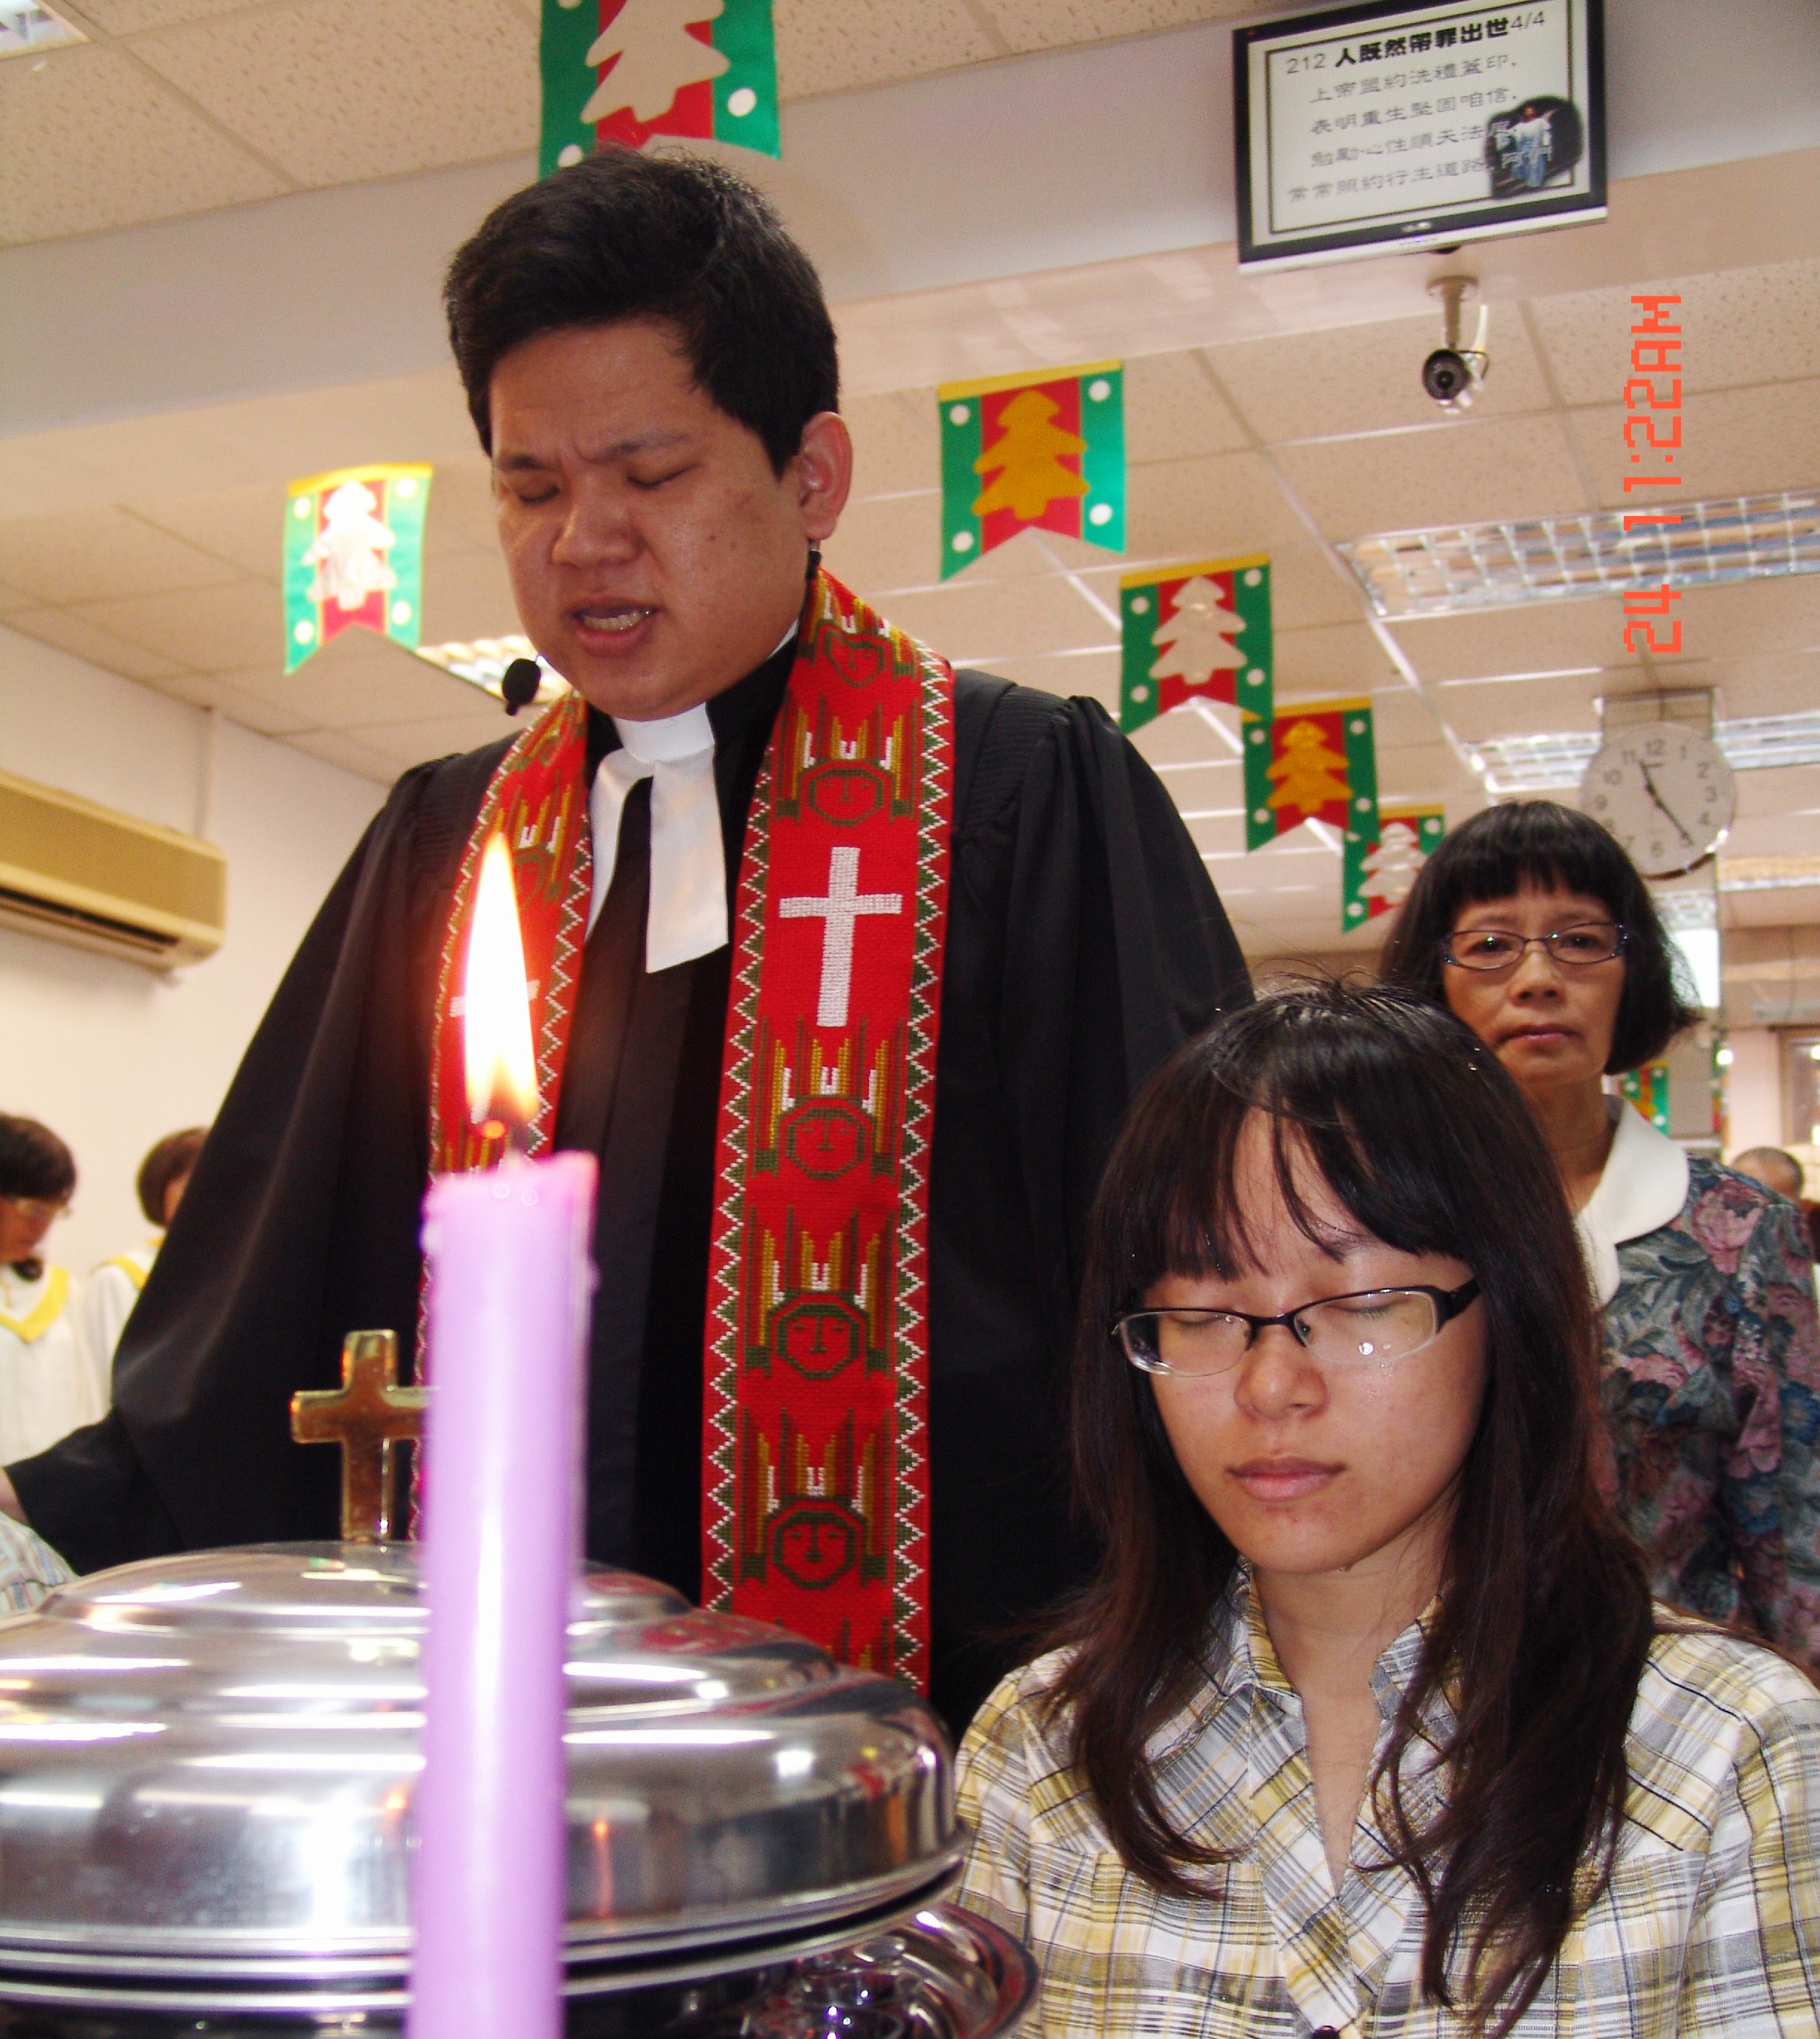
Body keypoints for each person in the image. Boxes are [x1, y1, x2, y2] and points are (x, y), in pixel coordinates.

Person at [1, 152, 1248, 1738]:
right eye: (530, 488)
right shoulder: (447, 842)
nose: (583, 538)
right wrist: (53, 1513)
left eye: (648, 474)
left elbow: (1196, 1276)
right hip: (503, 1745)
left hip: (943, 1750)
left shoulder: (1016, 799)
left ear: (811, 476)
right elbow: (276, 1296)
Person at [938, 985, 1820, 2039]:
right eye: (1202, 1312)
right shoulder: (1046, 1751)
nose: (1270, 1382)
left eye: (1356, 1303)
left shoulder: (1723, 1750)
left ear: (1505, 1305)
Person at [1379, 799, 1820, 1660]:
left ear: (1632, 971)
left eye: (1580, 940)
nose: (1538, 978)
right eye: (1491, 945)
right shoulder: (1381, 1213)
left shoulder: (1741, 1233)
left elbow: (1795, 1538)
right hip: (1415, 1687)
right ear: (1437, 982)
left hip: (1669, 1698)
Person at [0, 1116, 101, 1470]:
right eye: (34, 1209)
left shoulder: (61, 1291)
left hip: (44, 1495)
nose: (41, 1227)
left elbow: (88, 1409)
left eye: (54, 1212)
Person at [78, 1128, 208, 1403]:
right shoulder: (120, 1279)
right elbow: (108, 1387)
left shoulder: (236, 1274)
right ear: (160, 1190)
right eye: (191, 1186)